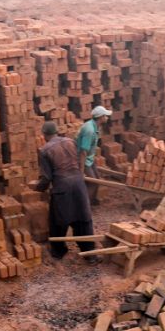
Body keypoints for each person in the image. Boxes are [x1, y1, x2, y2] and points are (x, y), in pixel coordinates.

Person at [30, 121, 97, 261]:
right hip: (79, 184)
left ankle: (58, 251)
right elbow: (81, 159)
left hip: (62, 187)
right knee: (83, 219)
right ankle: (90, 254)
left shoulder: (44, 150)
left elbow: (46, 178)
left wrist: (37, 187)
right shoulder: (70, 141)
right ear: (56, 132)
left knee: (58, 220)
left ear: (44, 135)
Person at [76, 105, 112, 205]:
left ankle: (91, 201)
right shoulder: (90, 130)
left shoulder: (94, 126)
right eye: (105, 116)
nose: (107, 118)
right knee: (93, 183)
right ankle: (83, 206)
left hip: (89, 159)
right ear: (101, 118)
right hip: (84, 160)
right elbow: (83, 152)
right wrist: (81, 171)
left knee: (97, 180)